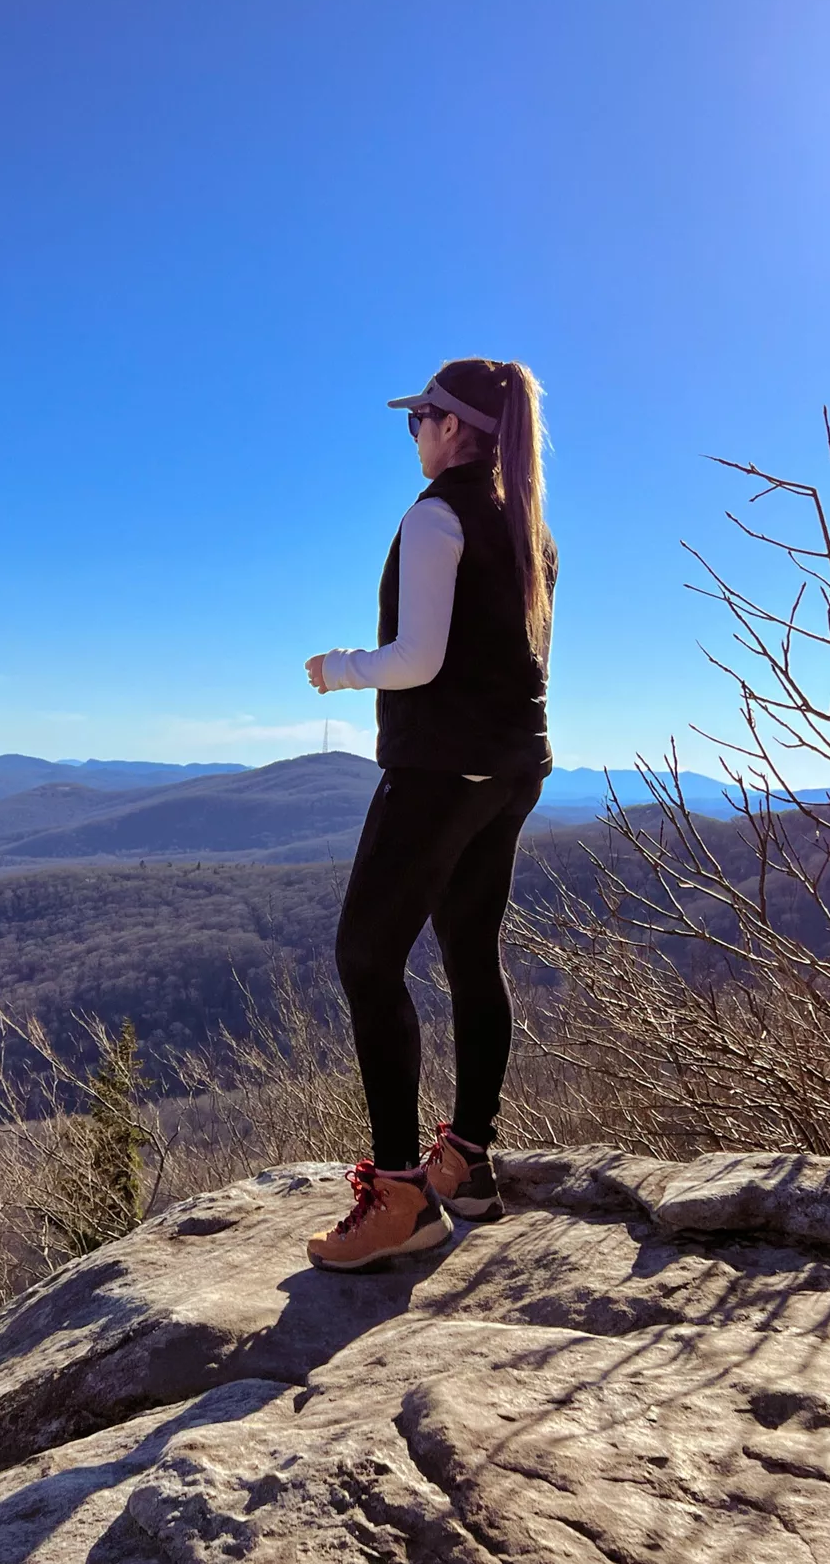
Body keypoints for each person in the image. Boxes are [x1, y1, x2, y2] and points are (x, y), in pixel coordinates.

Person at [303, 356, 557, 1271]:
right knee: (467, 950)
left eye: (417, 418)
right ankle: (469, 1165)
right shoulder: (527, 525)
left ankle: (402, 1198)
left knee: (367, 957)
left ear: (453, 429)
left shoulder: (435, 514)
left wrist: (339, 667)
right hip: (513, 768)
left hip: (439, 768)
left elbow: (416, 658)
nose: (411, 432)